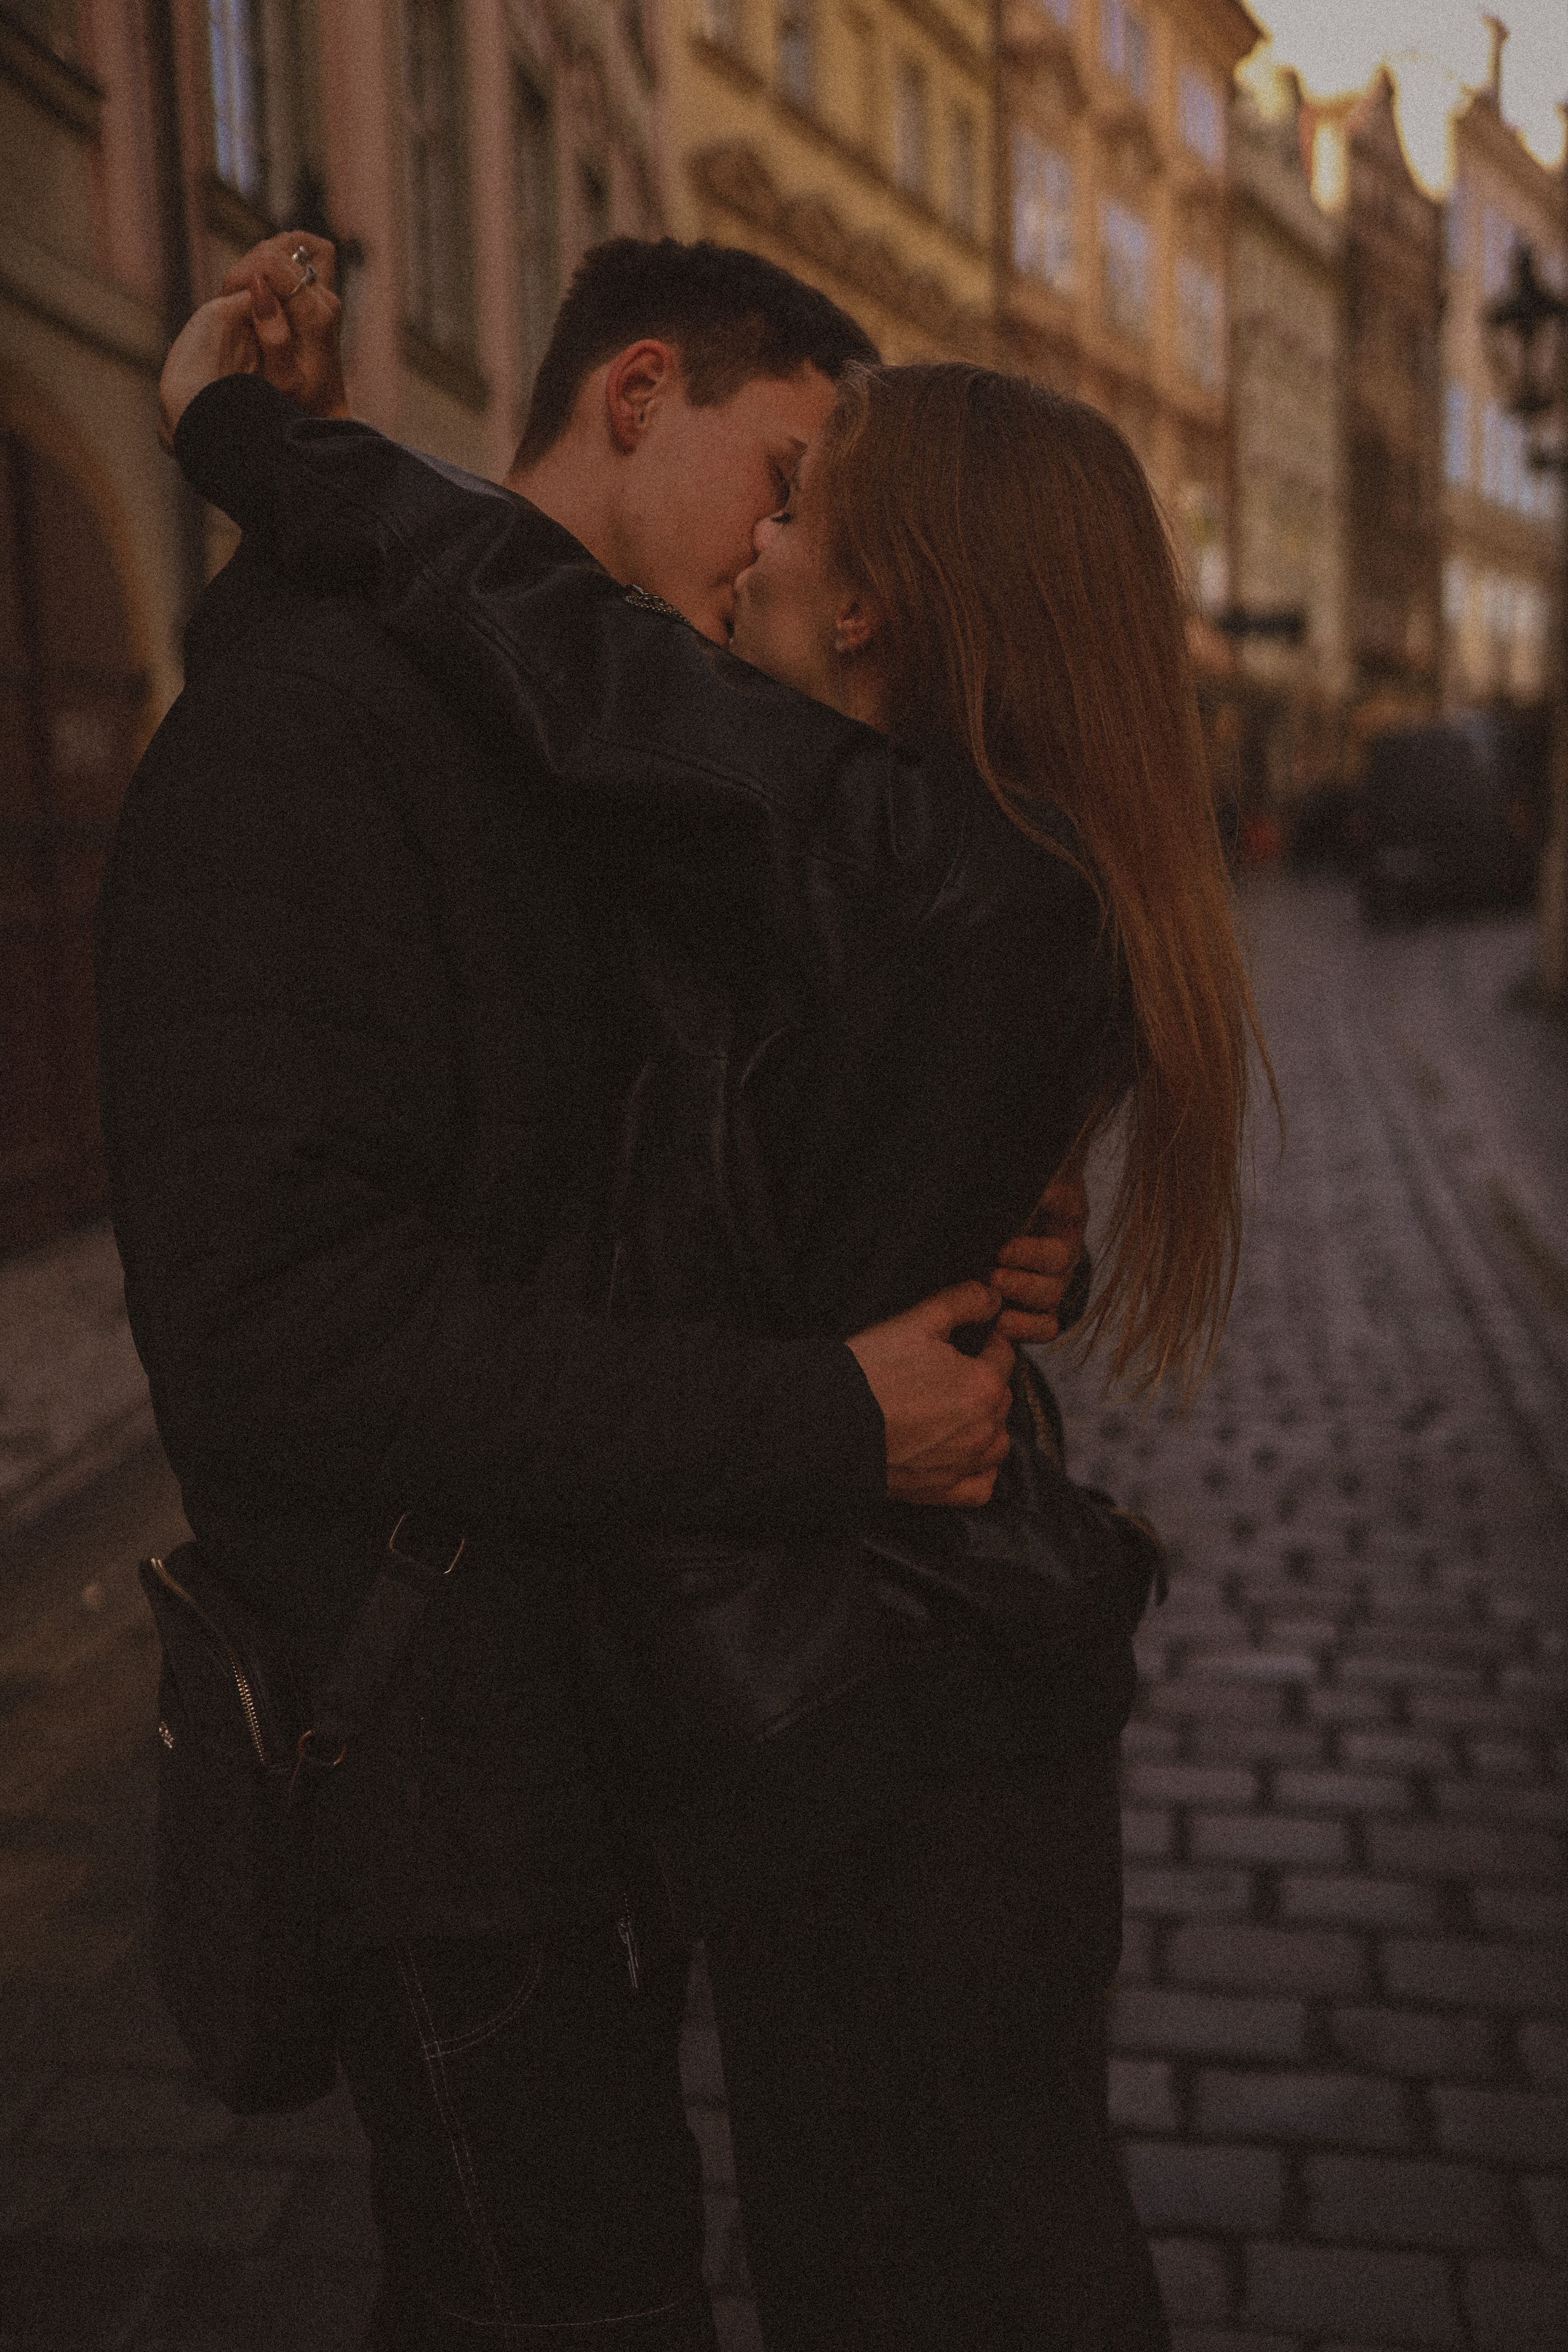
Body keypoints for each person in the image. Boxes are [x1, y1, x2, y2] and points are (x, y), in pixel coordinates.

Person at [159, 252, 1272, 2351]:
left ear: (884, 604)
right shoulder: (905, 853)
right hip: (702, 1736)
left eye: (805, 508)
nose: (768, 539)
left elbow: (553, 649)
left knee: (933, 2268)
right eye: (771, 476)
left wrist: (253, 441)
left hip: (871, 1746)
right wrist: (937, 1290)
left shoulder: (888, 849)